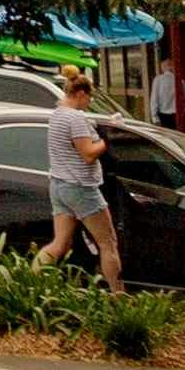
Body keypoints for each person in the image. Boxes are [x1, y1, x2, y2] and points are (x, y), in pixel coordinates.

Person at [45, 111, 125, 284]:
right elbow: (89, 154)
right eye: (89, 98)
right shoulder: (76, 119)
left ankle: (29, 281)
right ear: (82, 94)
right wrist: (111, 137)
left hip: (60, 184)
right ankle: (120, 298)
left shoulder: (58, 116)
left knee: (60, 243)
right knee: (108, 243)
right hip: (81, 188)